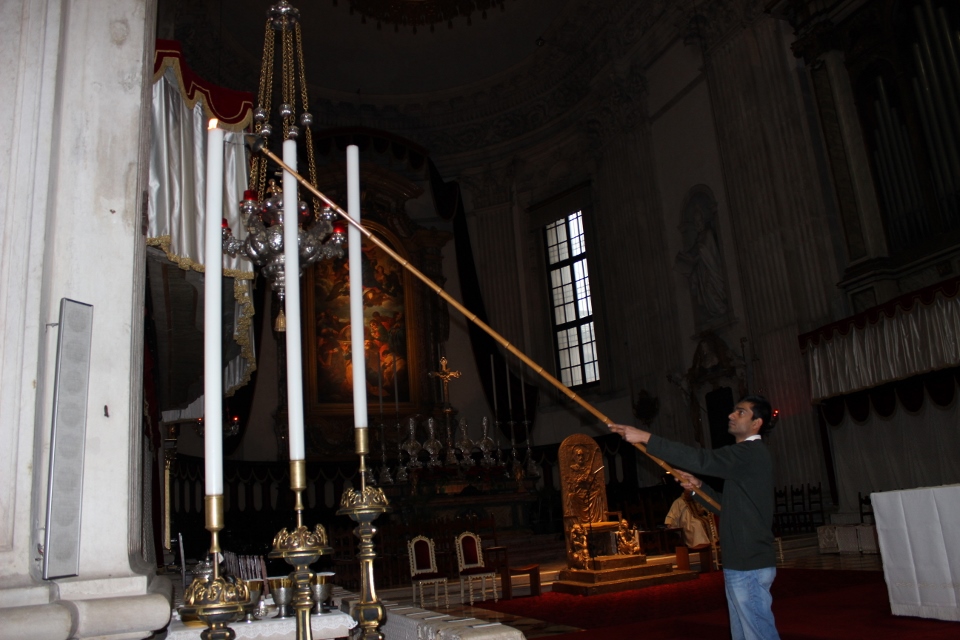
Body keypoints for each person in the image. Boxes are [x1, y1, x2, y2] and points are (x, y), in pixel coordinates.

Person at [609, 394, 779, 640]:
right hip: (741, 561)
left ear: (757, 423)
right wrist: (698, 487)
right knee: (744, 635)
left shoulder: (750, 452)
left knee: (758, 634)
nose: (731, 415)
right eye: (734, 410)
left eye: (740, 412)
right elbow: (726, 507)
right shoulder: (745, 457)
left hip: (749, 562)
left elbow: (702, 459)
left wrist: (646, 437)